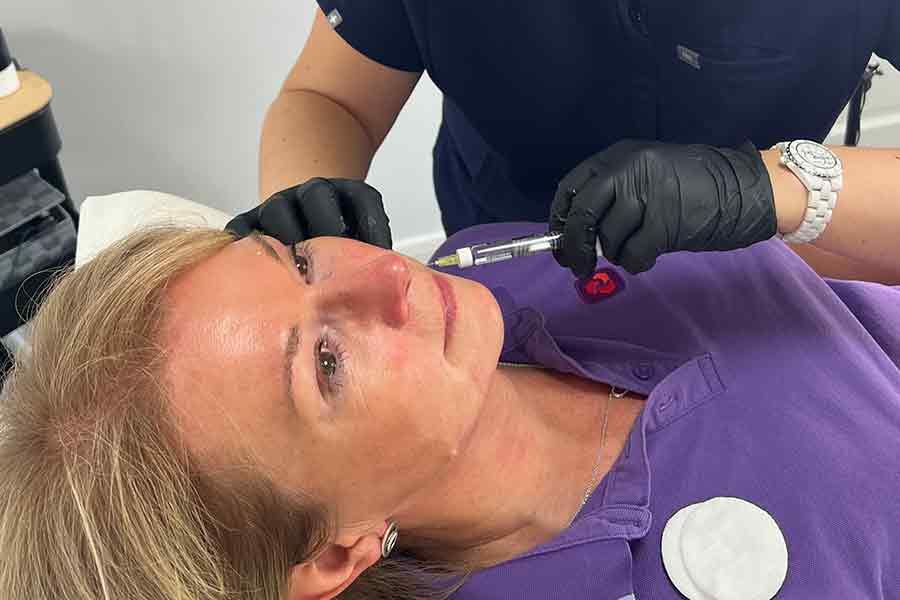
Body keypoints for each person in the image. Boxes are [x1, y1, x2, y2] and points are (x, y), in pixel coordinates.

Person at [1, 215, 898, 599]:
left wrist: (789, 189)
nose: (386, 274)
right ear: (332, 551)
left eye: (296, 260)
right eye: (325, 362)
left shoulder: (508, 263)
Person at [229, 3, 900, 281]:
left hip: (753, 253)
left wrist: (763, 188)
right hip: (504, 243)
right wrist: (304, 197)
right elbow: (328, 99)